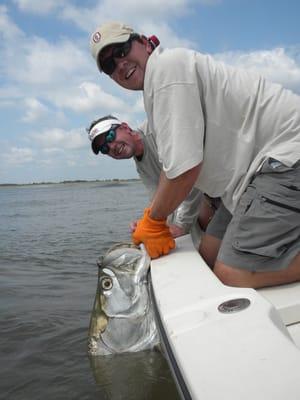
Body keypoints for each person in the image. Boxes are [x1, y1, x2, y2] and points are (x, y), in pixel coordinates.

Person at [89, 21, 300, 288]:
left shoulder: (165, 70)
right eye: (109, 65)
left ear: (143, 43)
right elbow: (169, 179)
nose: (119, 64)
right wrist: (154, 219)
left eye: (121, 50)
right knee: (207, 255)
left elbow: (183, 171)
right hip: (247, 181)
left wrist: (153, 223)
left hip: (283, 159)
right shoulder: (156, 94)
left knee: (229, 273)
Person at [87, 114, 202, 238]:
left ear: (125, 127)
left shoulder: (157, 132)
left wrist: (181, 225)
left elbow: (189, 177)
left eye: (110, 137)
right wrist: (147, 222)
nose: (111, 147)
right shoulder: (140, 162)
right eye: (104, 148)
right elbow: (158, 197)